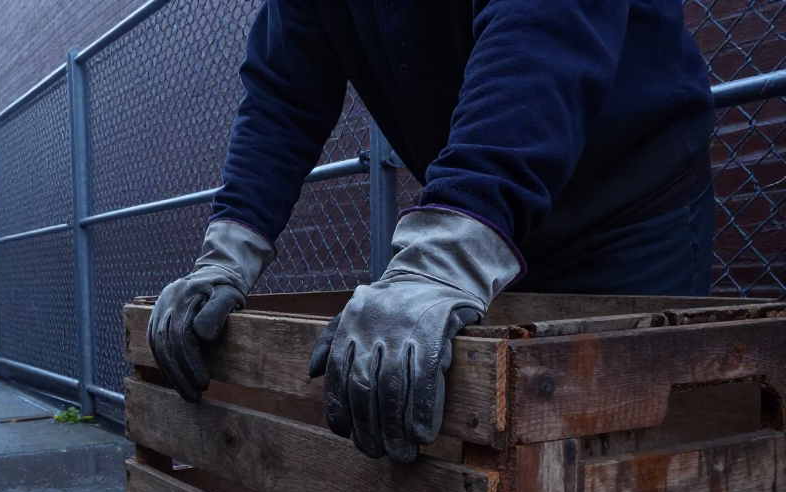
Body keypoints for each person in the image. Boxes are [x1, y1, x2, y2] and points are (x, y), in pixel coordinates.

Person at [148, 0, 716, 463]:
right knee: (477, 474)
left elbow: (541, 27)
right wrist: (226, 255)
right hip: (487, 217)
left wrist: (444, 257)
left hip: (623, 204)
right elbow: (283, 96)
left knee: (618, 481)